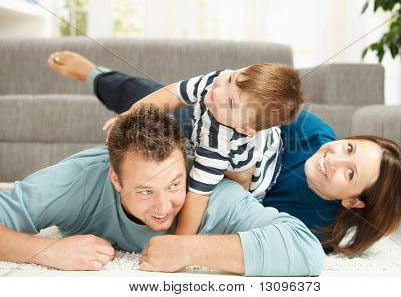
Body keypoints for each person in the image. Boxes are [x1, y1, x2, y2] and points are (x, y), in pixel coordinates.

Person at [47, 52, 401, 255]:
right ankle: (96, 75)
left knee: (176, 182)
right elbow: (257, 106)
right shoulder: (314, 133)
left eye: (348, 173)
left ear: (352, 202)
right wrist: (134, 115)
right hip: (232, 137)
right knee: (158, 98)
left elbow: (241, 228)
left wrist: (181, 245)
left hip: (236, 176)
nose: (333, 158)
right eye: (348, 148)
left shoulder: (316, 223)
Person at [0, 103, 324, 276]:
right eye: (144, 191)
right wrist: (48, 251)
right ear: (116, 180)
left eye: (173, 185)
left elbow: (305, 249)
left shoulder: (211, 196)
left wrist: (190, 249)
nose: (163, 207)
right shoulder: (77, 181)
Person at [102, 63, 302, 236]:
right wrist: (128, 115)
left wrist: (179, 242)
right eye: (231, 79)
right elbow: (174, 93)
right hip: (215, 126)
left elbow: (198, 196)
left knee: (224, 199)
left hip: (255, 173)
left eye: (231, 103)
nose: (217, 92)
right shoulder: (221, 82)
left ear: (243, 128)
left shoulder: (219, 147)